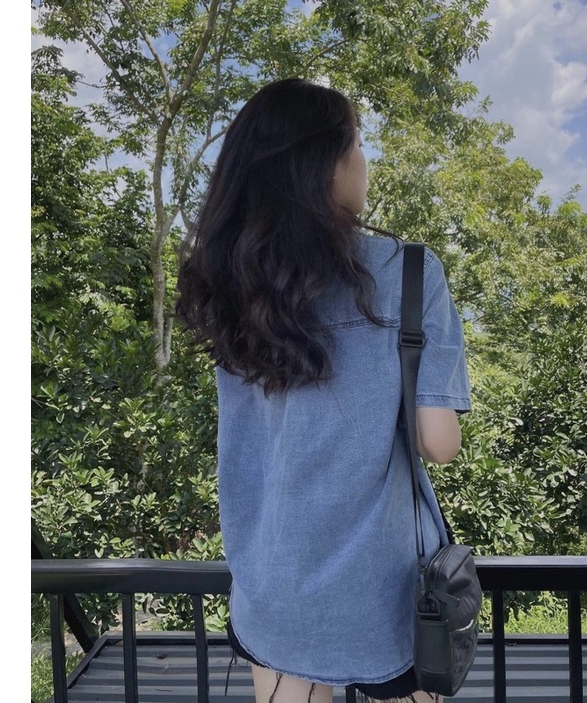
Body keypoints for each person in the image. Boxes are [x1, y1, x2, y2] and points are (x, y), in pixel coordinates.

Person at [176, 78, 471, 703]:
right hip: (386, 591)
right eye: (357, 144)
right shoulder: (408, 272)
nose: (364, 159)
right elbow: (439, 443)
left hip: (273, 583)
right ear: (326, 164)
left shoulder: (231, 283)